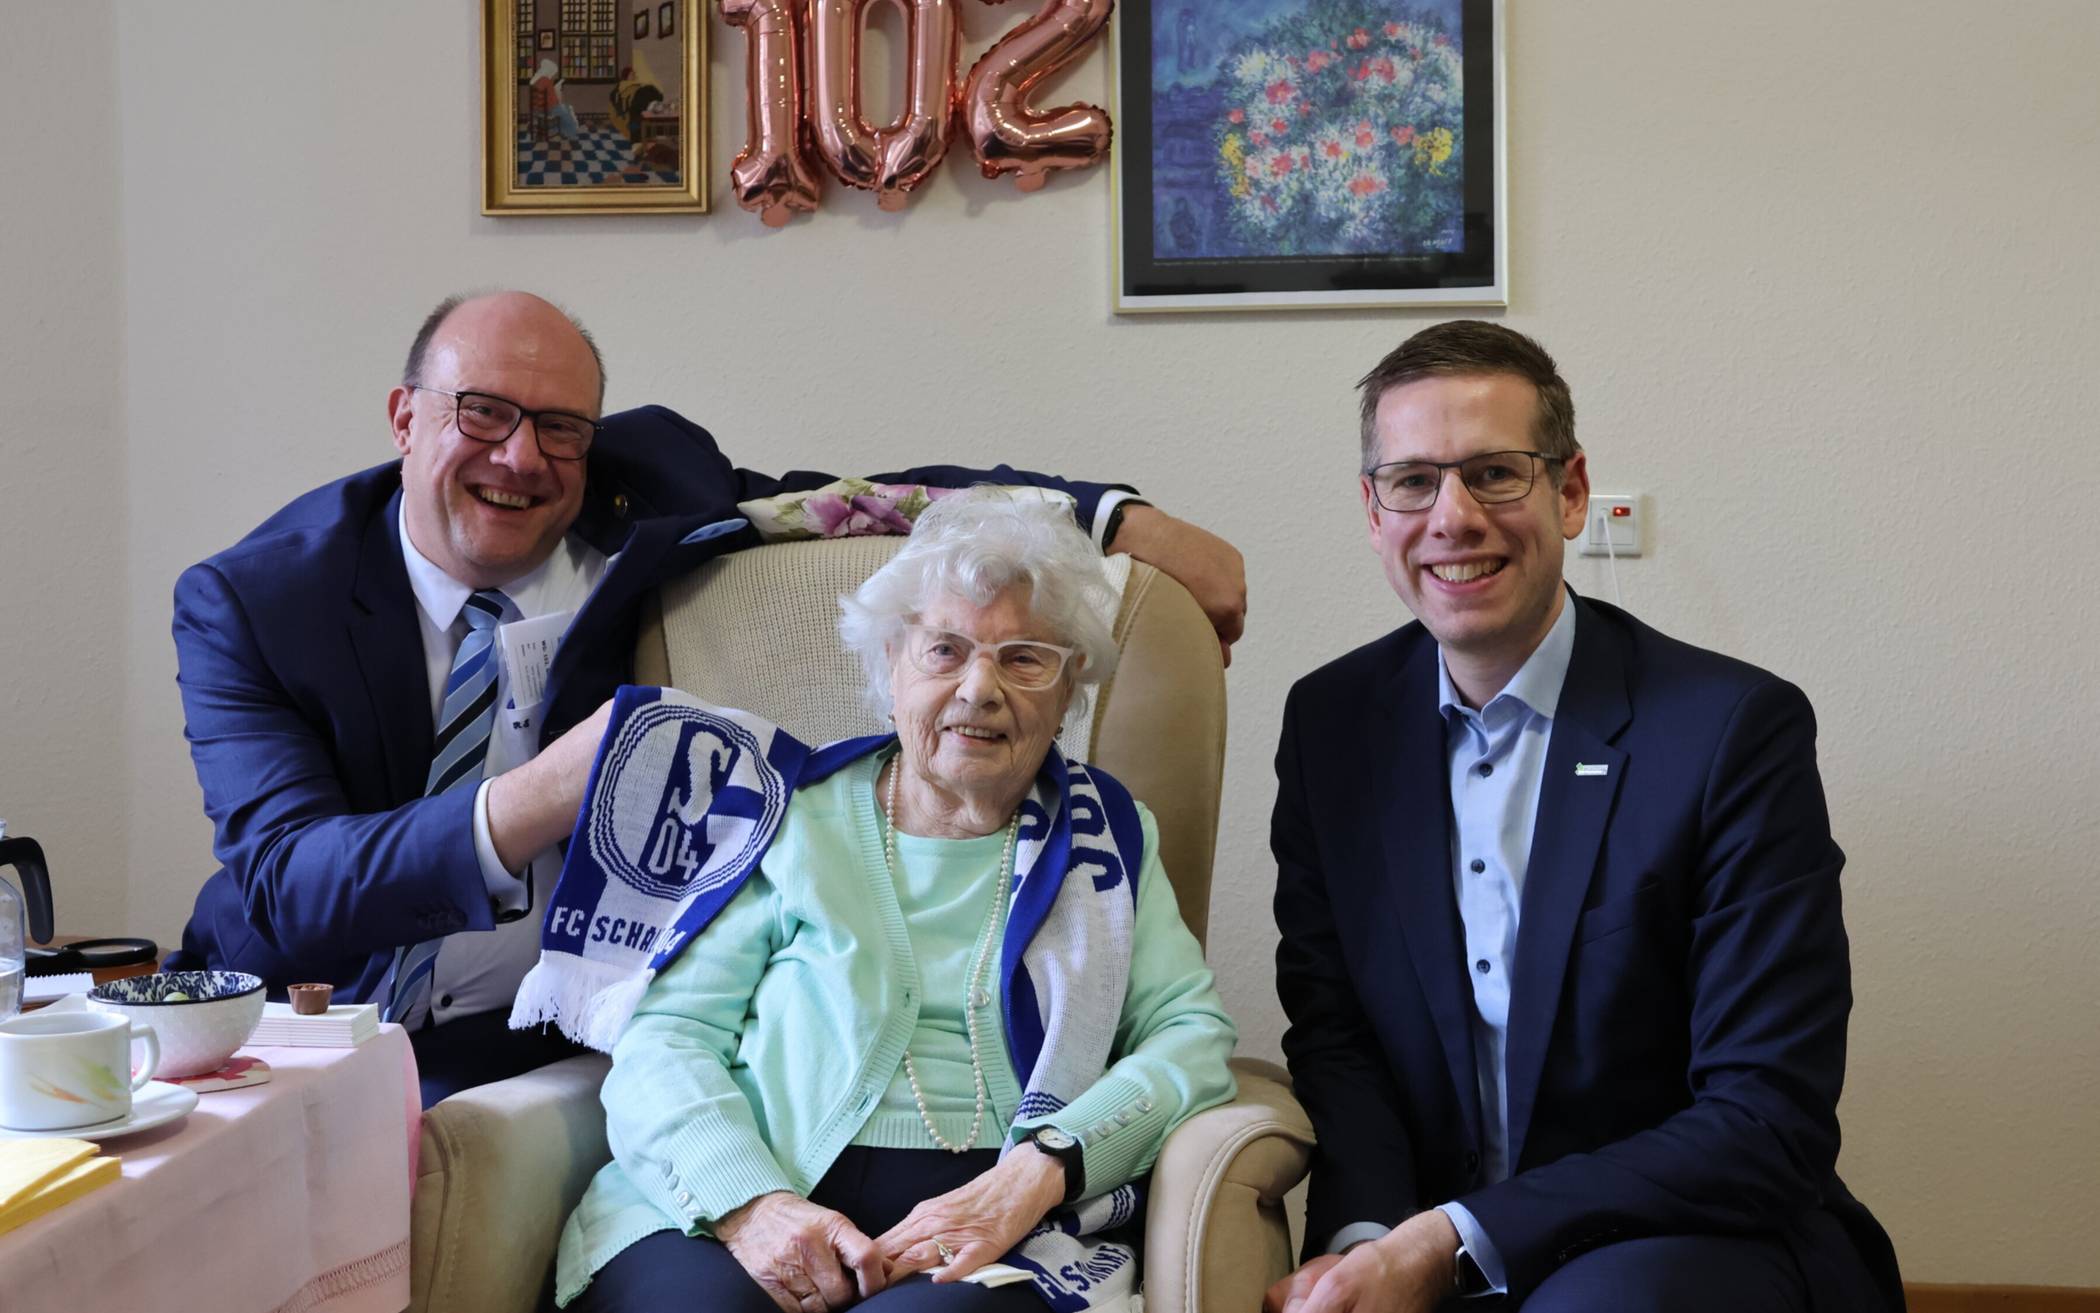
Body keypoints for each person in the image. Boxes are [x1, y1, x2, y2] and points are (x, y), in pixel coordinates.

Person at [167, 290, 1246, 1105]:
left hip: (544, 1030)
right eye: (481, 412)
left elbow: (868, 502)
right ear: (405, 415)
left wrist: (1116, 519)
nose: (521, 456)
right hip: (303, 1016)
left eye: (560, 427)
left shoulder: (645, 491)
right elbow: (288, 880)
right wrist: (546, 789)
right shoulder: (257, 600)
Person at [1263, 322, 1903, 1312]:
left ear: (1568, 492)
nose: (1454, 516)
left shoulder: (1730, 729)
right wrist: (1367, 1242)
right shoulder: (1332, 723)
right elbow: (1336, 1033)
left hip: (1683, 1241)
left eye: (1494, 473)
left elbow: (1765, 1115)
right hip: (1420, 1240)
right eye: (1414, 481)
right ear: (1372, 508)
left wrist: (1457, 1239)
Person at [545, 494, 1237, 1311]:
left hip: (994, 1224)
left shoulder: (1109, 839)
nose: (979, 689)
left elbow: (1190, 1037)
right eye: (945, 649)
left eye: (1024, 658)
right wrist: (751, 1204)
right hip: (742, 1192)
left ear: (1069, 686)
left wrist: (1043, 1169)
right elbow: (668, 1037)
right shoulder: (784, 815)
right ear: (889, 663)